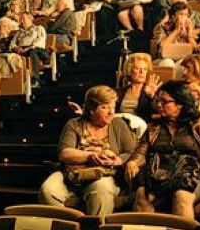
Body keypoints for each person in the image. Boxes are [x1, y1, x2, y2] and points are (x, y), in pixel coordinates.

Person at [125, 81, 200, 219]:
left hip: (191, 174)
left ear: (180, 104)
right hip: (158, 173)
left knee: (182, 196)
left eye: (164, 102)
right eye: (158, 101)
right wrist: (133, 163)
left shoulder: (199, 125)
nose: (159, 105)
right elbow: (141, 152)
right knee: (142, 194)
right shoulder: (154, 127)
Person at [39, 86, 137, 216]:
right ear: (91, 109)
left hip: (104, 174)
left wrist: (117, 160)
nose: (111, 112)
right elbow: (64, 153)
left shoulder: (118, 124)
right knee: (47, 190)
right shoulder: (74, 124)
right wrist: (92, 155)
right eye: (105, 107)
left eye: (113, 107)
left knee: (101, 190)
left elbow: (131, 152)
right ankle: (69, 226)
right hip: (72, 174)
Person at [116, 53, 160, 122]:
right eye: (137, 68)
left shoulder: (151, 91)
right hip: (120, 125)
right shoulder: (119, 92)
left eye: (145, 69)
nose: (142, 72)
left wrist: (152, 96)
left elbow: (158, 112)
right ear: (130, 71)